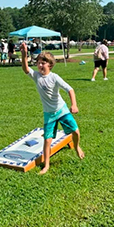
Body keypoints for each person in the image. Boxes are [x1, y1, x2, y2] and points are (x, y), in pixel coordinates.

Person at [20, 44, 84, 175]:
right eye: (38, 63)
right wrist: (24, 54)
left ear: (50, 64)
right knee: (47, 140)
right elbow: (26, 69)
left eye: (43, 63)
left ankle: (77, 147)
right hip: (49, 114)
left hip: (61, 110)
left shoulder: (54, 77)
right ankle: (46, 165)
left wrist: (74, 105)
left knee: (76, 132)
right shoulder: (36, 76)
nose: (40, 65)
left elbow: (70, 89)